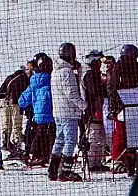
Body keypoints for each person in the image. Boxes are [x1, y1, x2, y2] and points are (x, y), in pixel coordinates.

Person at [48, 43, 86, 181]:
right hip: (68, 112)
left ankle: (53, 170)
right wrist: (84, 106)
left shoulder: (56, 70)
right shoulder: (66, 72)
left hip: (58, 111)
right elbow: (71, 94)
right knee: (70, 140)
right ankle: (64, 171)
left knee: (60, 140)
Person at [108, 44, 138, 173]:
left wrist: (112, 108)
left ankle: (122, 161)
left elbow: (110, 90)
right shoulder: (133, 70)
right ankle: (118, 161)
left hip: (122, 109)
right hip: (131, 109)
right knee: (126, 136)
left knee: (122, 136)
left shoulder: (116, 70)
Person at [19, 55, 55, 167]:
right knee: (52, 136)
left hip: (38, 115)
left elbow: (22, 100)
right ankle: (50, 156)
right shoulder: (52, 79)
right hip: (53, 113)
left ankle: (36, 155)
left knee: (40, 134)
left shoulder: (33, 82)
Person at [0, 58, 34, 159]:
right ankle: (17, 145)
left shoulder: (9, 77)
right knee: (17, 126)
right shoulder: (25, 78)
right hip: (16, 104)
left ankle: (6, 142)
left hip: (5, 103)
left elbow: (0, 91)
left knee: (6, 124)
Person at [82, 49, 109, 173]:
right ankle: (91, 163)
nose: (101, 63)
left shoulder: (95, 74)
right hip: (92, 111)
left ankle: (98, 162)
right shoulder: (90, 75)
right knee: (93, 137)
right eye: (99, 61)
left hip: (98, 109)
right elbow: (94, 92)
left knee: (100, 138)